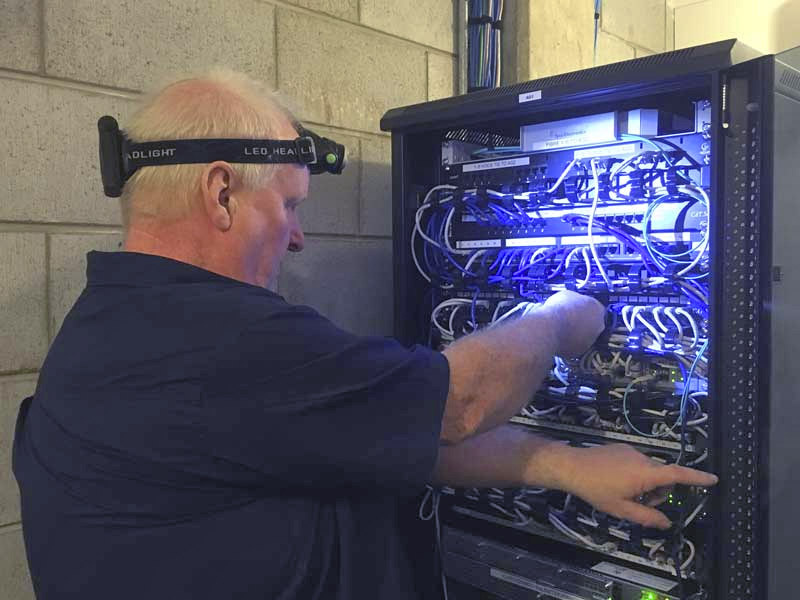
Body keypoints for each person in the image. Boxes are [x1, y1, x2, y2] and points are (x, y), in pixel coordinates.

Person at [12, 69, 717, 600]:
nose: (296, 239)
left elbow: (381, 436)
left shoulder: (114, 323)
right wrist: (564, 312)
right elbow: (459, 405)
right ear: (221, 194)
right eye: (288, 205)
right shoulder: (215, 337)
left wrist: (563, 463)